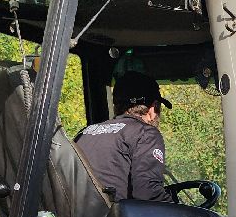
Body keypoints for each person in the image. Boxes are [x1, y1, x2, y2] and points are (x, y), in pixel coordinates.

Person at [74, 71, 173, 202]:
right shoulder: (146, 134)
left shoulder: (84, 133)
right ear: (152, 108)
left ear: (116, 106)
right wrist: (184, 214)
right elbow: (148, 193)